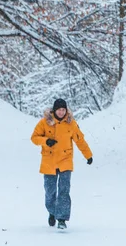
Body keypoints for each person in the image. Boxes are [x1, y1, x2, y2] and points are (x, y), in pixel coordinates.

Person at [31, 98, 93, 229]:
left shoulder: (71, 124)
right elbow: (34, 138)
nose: (61, 112)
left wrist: (88, 155)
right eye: (59, 110)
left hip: (65, 161)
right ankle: (52, 212)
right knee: (50, 191)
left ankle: (62, 219)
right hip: (49, 161)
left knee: (64, 191)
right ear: (54, 110)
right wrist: (46, 141)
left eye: (63, 110)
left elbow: (80, 140)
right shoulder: (44, 122)